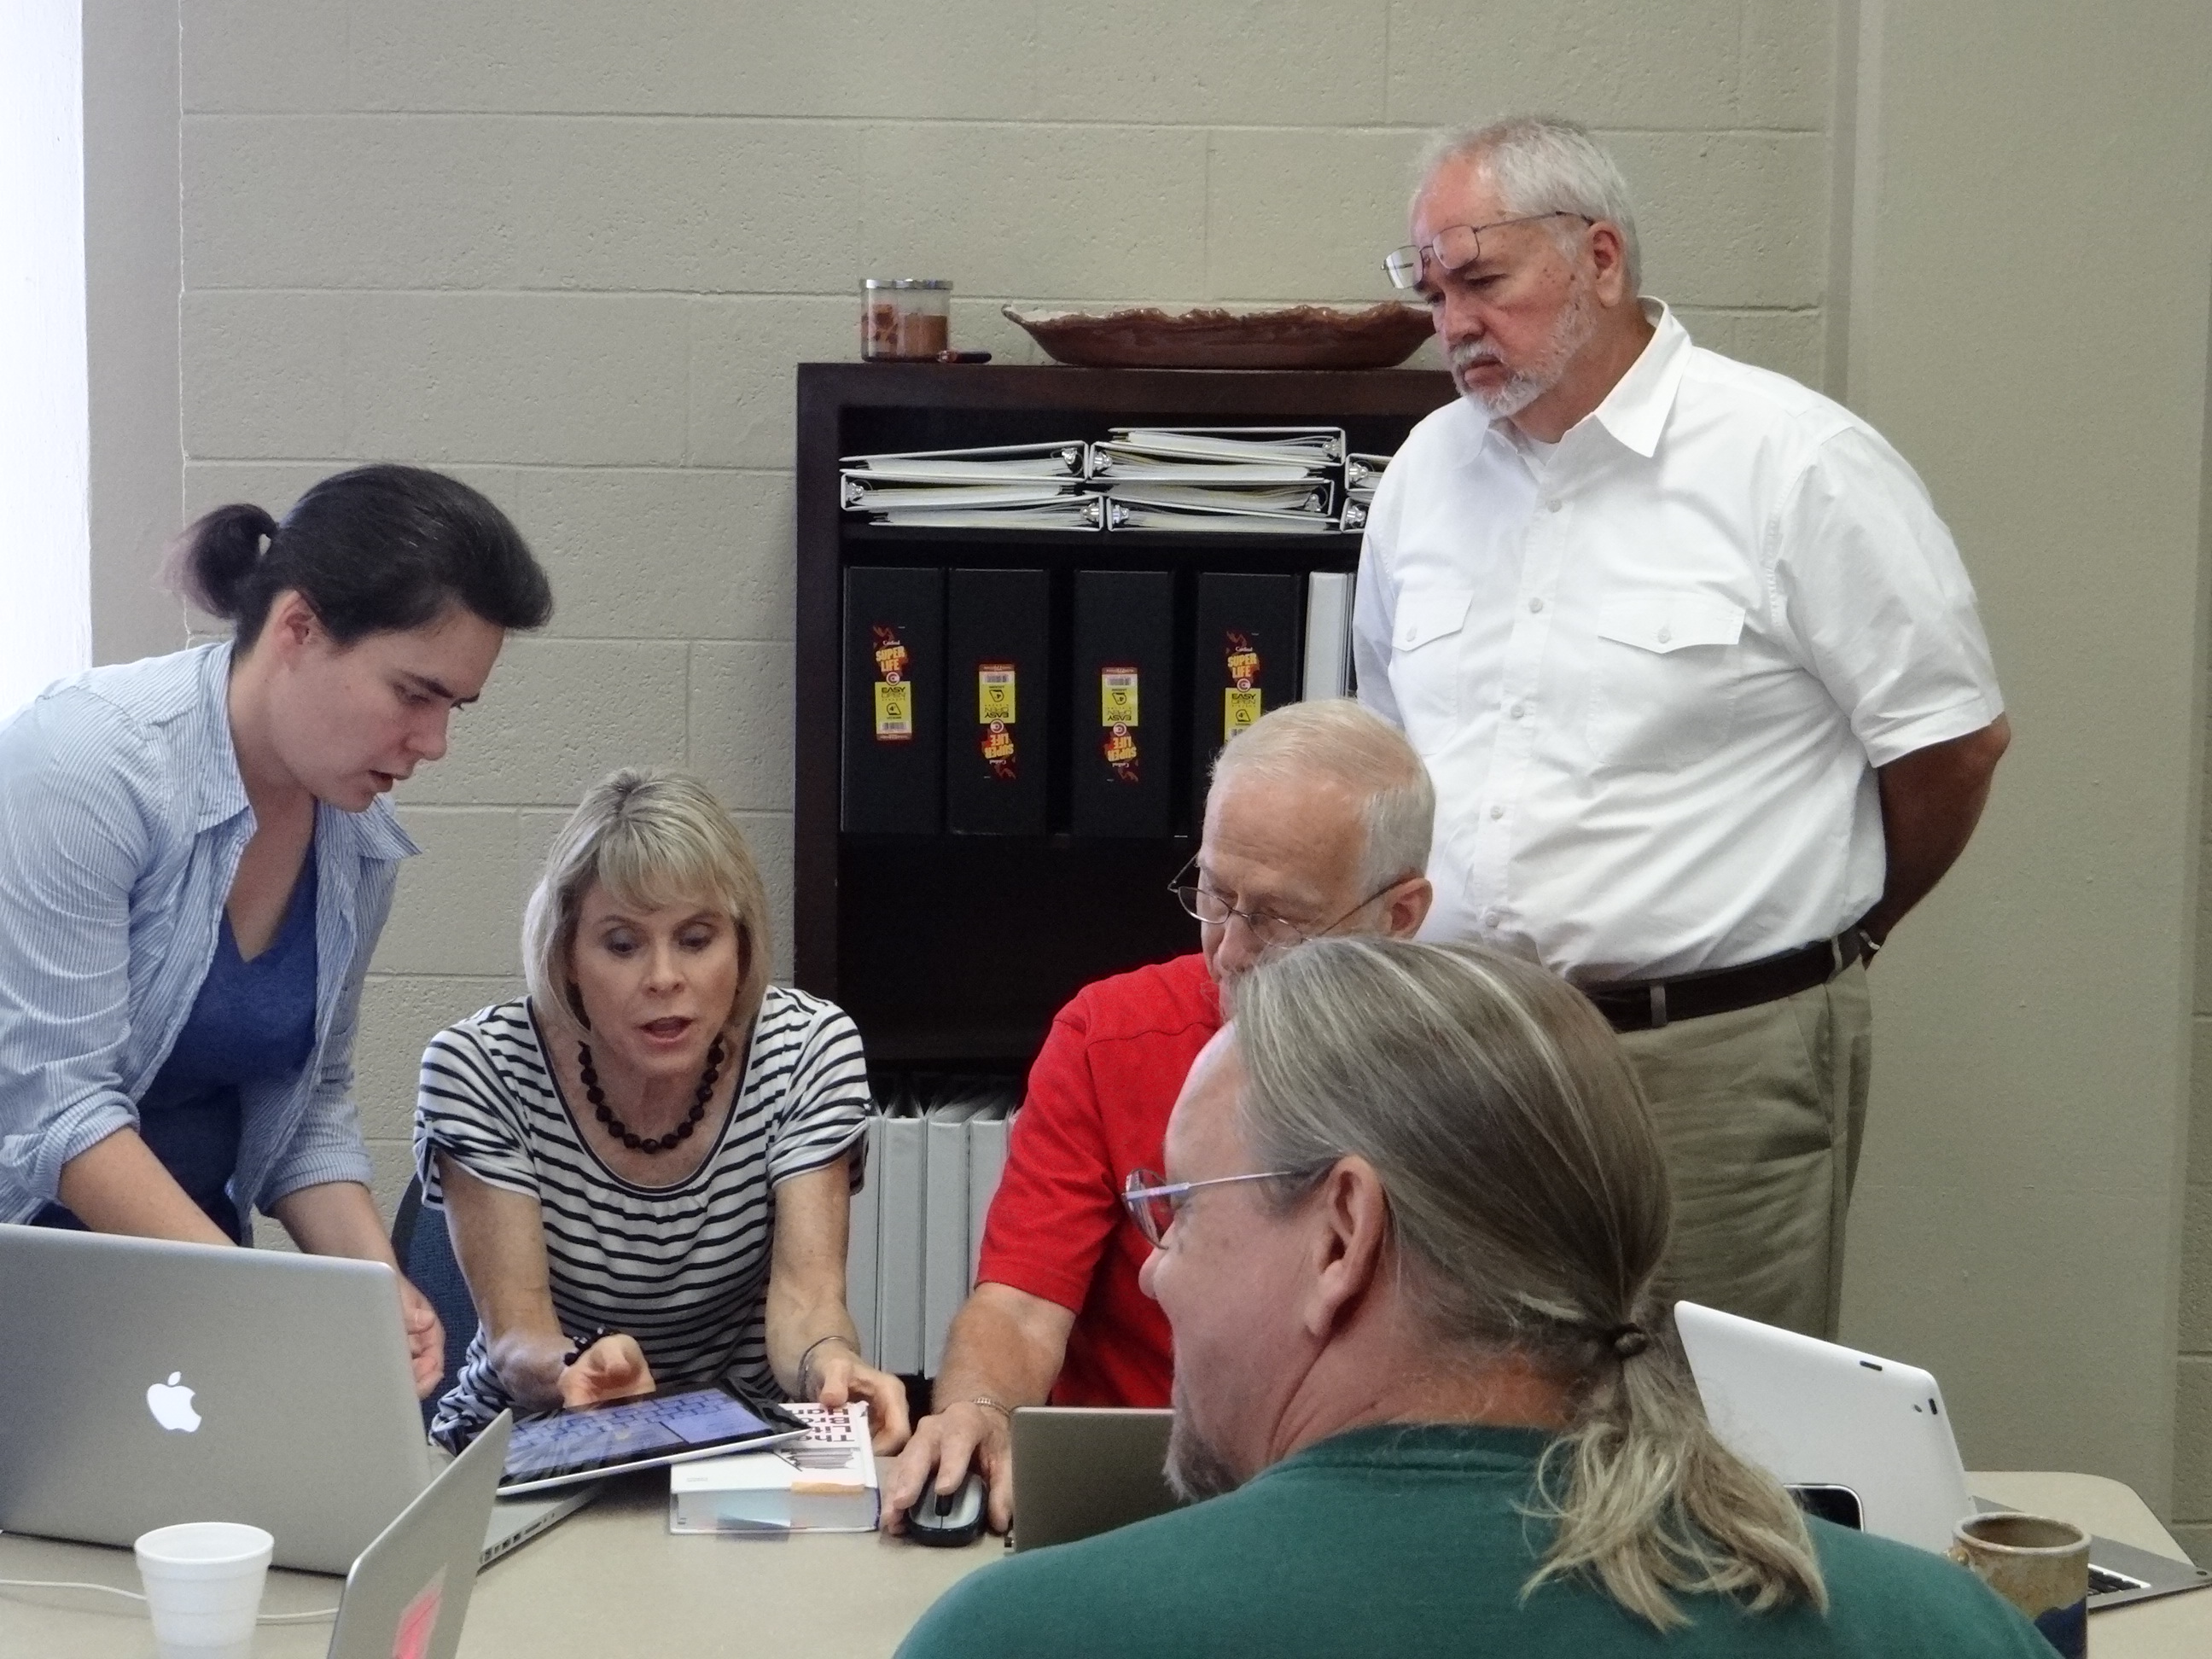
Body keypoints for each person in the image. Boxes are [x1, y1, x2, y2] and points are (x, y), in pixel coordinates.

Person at [897, 937, 2055, 1658]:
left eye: (1184, 1209)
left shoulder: (1025, 1637)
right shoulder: (1951, 1632)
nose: (1152, 1268)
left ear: (1343, 1233)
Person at [1355, 116, 2011, 1338]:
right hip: (1473, 1063)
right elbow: (1399, 760)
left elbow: (1952, 744)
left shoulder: (1795, 463)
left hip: (1715, 1058)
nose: (1450, 325)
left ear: (1600, 258)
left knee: (1715, 1442)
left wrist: (1838, 933)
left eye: (1483, 281)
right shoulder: (1423, 477)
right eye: (1431, 288)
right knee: (1483, 1429)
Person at [0, 463, 553, 1397]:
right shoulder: (86, 765)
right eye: (413, 694)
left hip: (185, 1289)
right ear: (298, 628)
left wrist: (368, 1286)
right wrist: (259, 1303)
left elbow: (307, 1109)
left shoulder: (355, 836)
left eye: (454, 708)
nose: (434, 744)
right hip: (44, 1280)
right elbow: (59, 1112)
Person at [887, 699, 1434, 1534]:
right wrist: (983, 1413)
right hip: (1138, 1502)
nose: (1230, 949)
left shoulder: (1467, 1075)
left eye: (1279, 917)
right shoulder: (1110, 1035)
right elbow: (1021, 1307)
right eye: (1215, 894)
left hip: (1373, 1511)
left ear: (1399, 916)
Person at [413, 769, 910, 1451]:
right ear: (567, 957)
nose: (664, 978)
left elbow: (807, 1302)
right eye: (622, 944)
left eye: (697, 939)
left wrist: (832, 1366)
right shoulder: (480, 1065)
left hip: (739, 1444)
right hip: (531, 1438)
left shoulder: (808, 1048)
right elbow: (516, 1333)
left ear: (740, 946)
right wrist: (577, 1368)